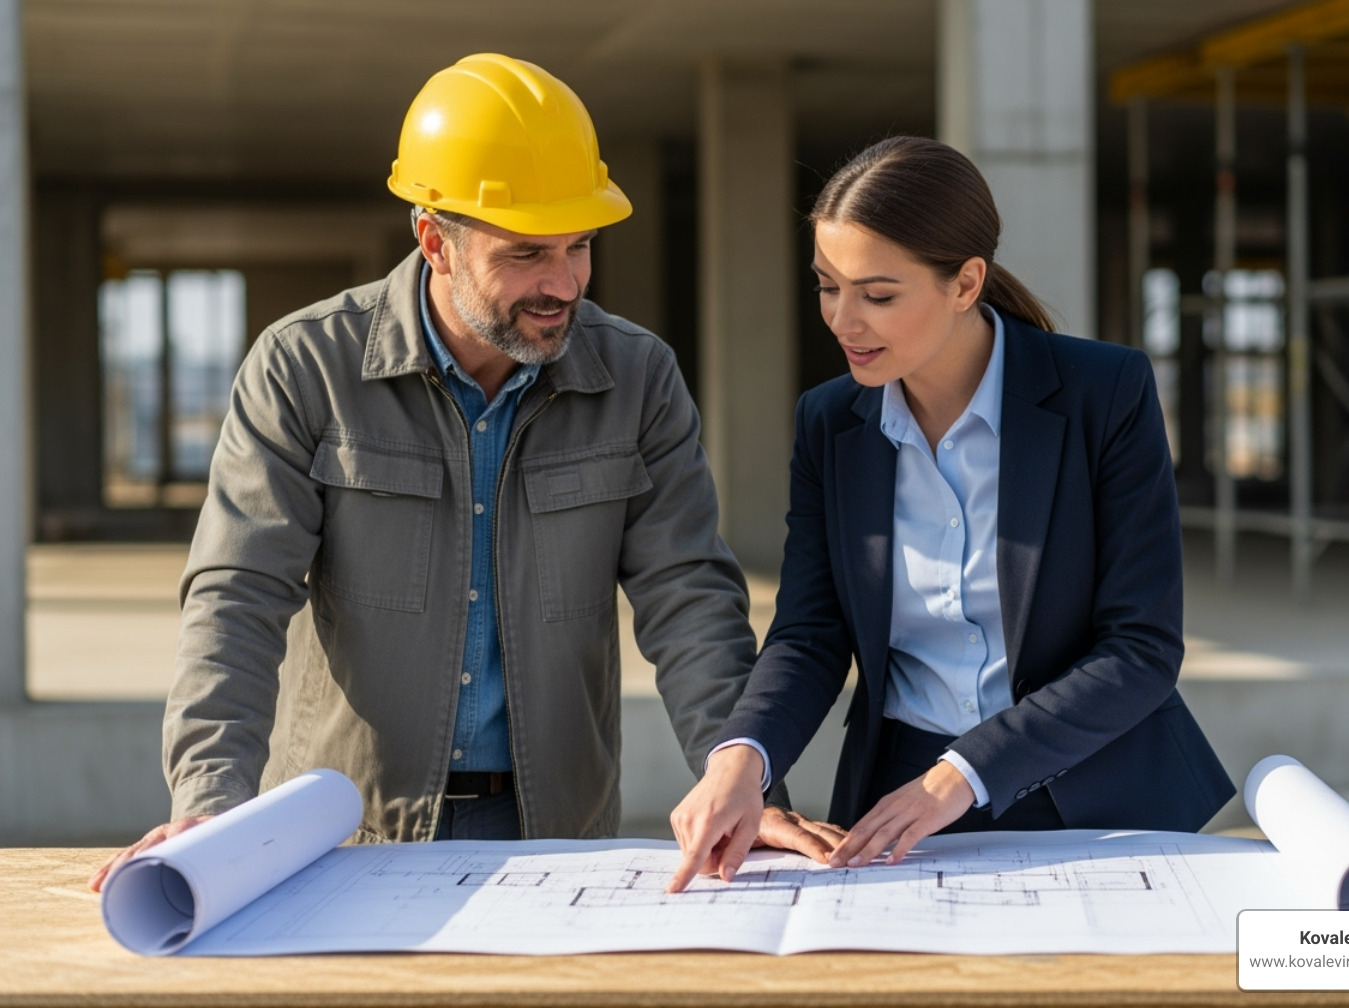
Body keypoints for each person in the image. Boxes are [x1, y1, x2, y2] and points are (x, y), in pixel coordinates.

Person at [90, 54, 832, 892]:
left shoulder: (639, 378)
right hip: (347, 830)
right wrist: (211, 799)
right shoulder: (306, 368)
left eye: (579, 246)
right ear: (433, 239)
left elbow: (689, 597)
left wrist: (744, 778)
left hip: (556, 830)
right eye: (526, 254)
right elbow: (237, 594)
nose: (564, 284)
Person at [668, 136, 1235, 892]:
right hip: (893, 805)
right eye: (826, 287)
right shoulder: (829, 423)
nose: (842, 320)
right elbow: (810, 632)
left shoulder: (1106, 393)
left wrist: (959, 775)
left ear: (966, 283)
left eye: (877, 294)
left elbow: (1139, 649)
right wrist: (742, 757)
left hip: (1097, 795)